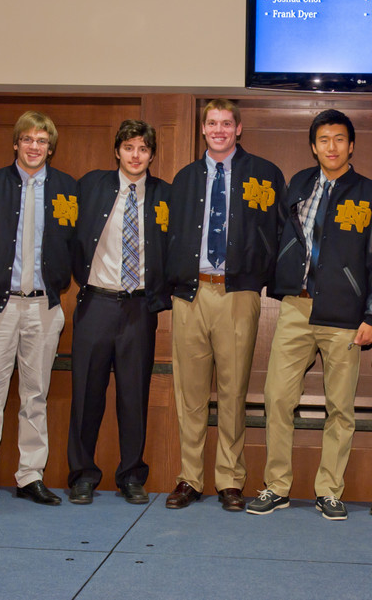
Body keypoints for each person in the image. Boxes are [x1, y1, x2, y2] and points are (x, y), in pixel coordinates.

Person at [248, 109, 372, 521]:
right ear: (313, 147)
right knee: (277, 398)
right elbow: (279, 235)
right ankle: (277, 486)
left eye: (339, 139)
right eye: (323, 140)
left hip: (346, 316)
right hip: (296, 308)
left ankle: (330, 491)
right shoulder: (298, 184)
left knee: (340, 408)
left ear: (351, 146)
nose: (331, 147)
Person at [164, 99, 285, 511]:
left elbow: (279, 233)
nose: (219, 129)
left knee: (233, 392)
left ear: (239, 129)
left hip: (238, 294)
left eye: (227, 123)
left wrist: (262, 277)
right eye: (212, 123)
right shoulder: (184, 179)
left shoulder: (264, 174)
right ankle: (189, 478)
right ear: (203, 129)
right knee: (190, 394)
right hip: (191, 294)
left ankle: (230, 480)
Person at [0, 111, 75, 508]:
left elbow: (75, 242)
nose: (34, 147)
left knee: (36, 395)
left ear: (50, 148)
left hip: (44, 306)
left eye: (42, 141)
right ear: (16, 144)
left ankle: (30, 475)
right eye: (27, 139)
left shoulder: (67, 189)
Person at [66, 120, 171, 505]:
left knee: (133, 395)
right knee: (86, 394)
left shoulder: (165, 195)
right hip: (96, 302)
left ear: (152, 155)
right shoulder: (90, 186)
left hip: (139, 307)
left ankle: (131, 475)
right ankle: (82, 475)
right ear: (117, 151)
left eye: (143, 149)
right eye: (129, 147)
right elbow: (69, 236)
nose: (135, 155)